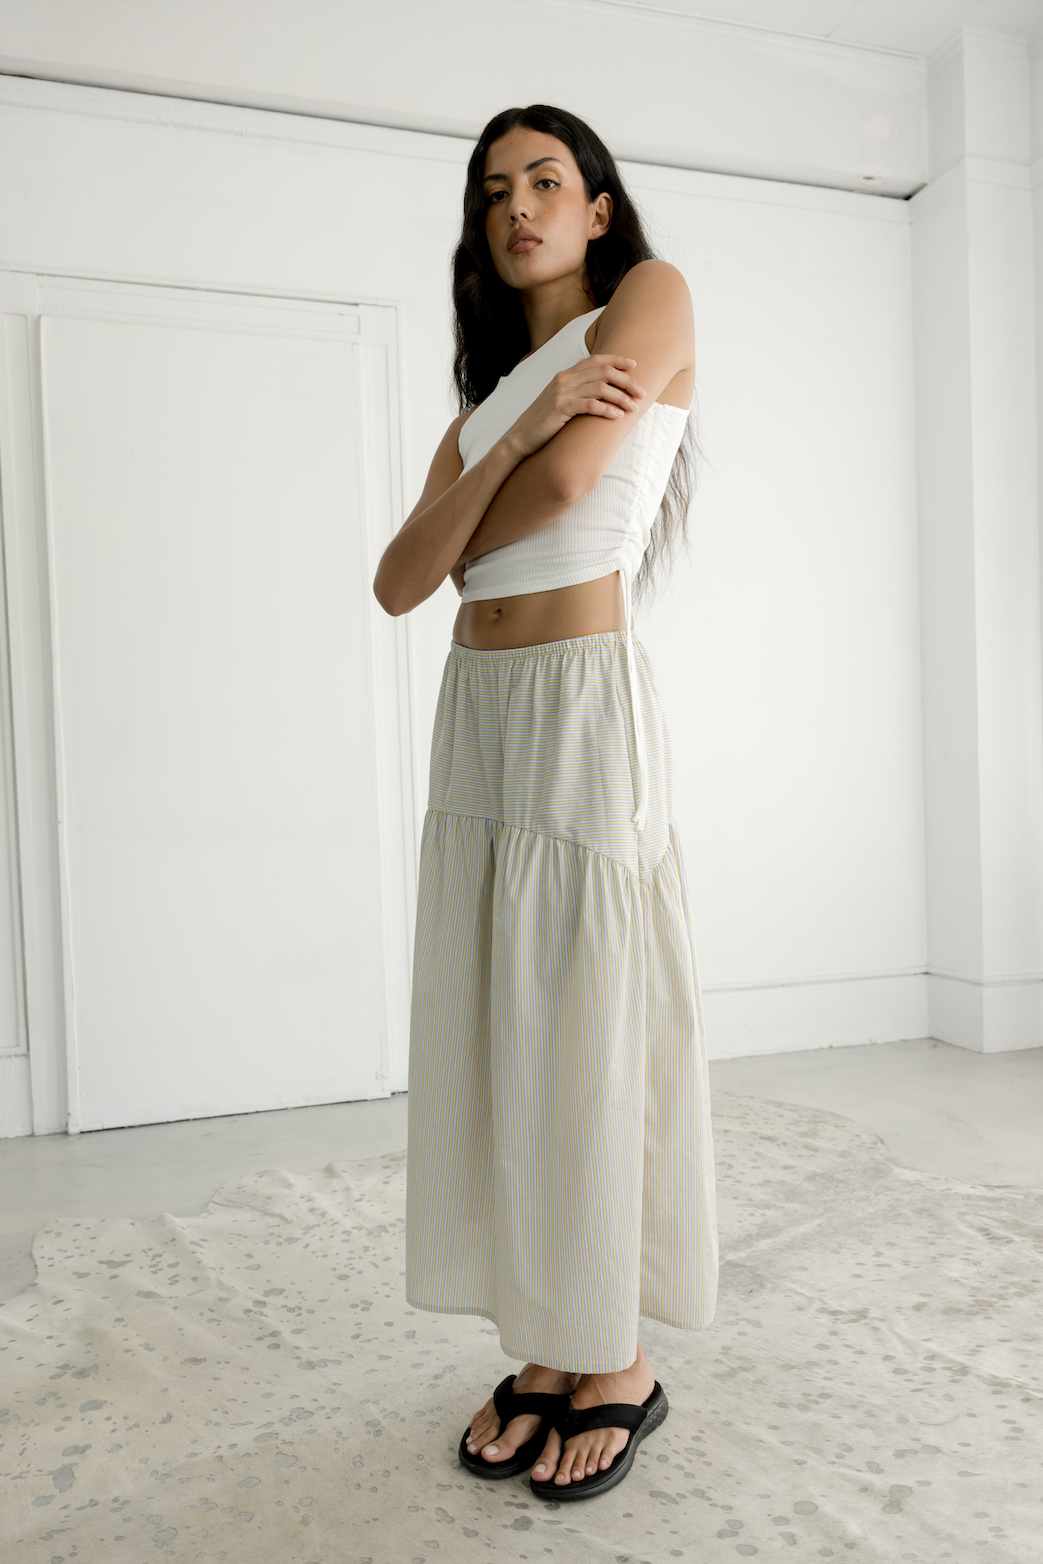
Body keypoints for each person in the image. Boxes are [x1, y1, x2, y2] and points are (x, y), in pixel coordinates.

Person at [373, 102, 717, 1502]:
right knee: (499, 1017)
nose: (517, 205)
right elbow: (402, 582)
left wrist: (488, 490)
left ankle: (618, 1360)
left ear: (595, 206)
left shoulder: (649, 296)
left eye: (545, 180)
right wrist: (504, 453)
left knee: (587, 1017)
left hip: (579, 696)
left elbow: (578, 478)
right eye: (492, 188)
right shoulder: (479, 413)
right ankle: (546, 1342)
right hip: (480, 718)